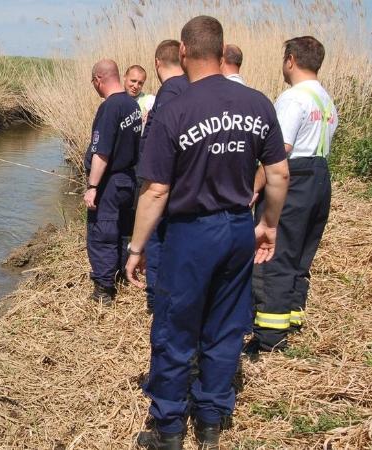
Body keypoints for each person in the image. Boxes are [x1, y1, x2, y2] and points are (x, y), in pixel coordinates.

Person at [125, 16, 289, 450]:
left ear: (183, 52)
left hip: (191, 234)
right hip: (238, 227)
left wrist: (137, 246)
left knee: (176, 329)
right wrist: (268, 224)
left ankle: (169, 428)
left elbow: (157, 189)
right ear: (222, 51)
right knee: (225, 326)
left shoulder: (175, 108)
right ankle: (212, 418)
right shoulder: (259, 104)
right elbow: (278, 175)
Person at [249, 36, 338, 353]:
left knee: (274, 256)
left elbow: (279, 155)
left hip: (295, 178)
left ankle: (269, 338)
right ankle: (292, 320)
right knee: (301, 254)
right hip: (319, 178)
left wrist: (254, 187)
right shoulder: (325, 100)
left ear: (290, 59)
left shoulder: (292, 99)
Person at [84, 59, 142, 304]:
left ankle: (104, 288)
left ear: (99, 79)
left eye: (93, 83)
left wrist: (93, 186)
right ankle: (117, 272)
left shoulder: (110, 107)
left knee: (103, 232)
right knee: (120, 231)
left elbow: (102, 152)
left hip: (110, 181)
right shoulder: (132, 104)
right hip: (129, 179)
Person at [139, 39, 191, 313]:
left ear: (157, 63)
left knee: (157, 238)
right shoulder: (193, 87)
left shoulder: (169, 92)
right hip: (188, 184)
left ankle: (156, 299)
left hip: (165, 182)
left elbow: (160, 144)